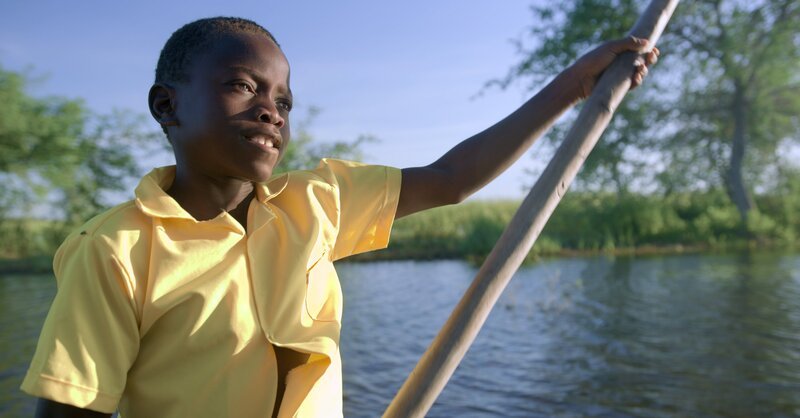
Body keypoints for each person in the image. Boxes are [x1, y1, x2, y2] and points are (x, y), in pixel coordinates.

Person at [21, 16, 658, 418]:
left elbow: (452, 178)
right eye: (244, 86)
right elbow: (70, 408)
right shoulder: (115, 249)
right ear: (168, 105)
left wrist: (576, 85)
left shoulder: (316, 202)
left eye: (283, 100)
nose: (271, 111)